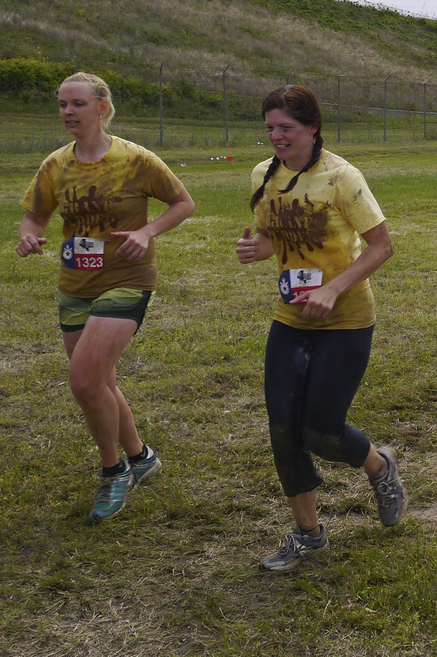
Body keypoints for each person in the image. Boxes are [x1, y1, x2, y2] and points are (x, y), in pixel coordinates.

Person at [236, 85, 406, 572]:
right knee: (284, 429)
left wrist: (333, 289)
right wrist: (257, 250)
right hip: (291, 317)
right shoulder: (263, 176)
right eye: (269, 128)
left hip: (345, 319)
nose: (276, 136)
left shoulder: (341, 177)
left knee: (322, 431)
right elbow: (273, 239)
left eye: (285, 128)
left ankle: (380, 466)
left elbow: (381, 246)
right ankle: (307, 533)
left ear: (312, 128)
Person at [15, 72, 196, 521]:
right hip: (75, 284)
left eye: (77, 104)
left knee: (83, 381)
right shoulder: (55, 164)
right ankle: (141, 457)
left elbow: (183, 203)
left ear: (102, 107)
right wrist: (28, 236)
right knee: (101, 382)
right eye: (61, 104)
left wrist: (147, 230)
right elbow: (35, 216)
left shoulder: (136, 159)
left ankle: (113, 471)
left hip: (127, 279)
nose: (67, 112)